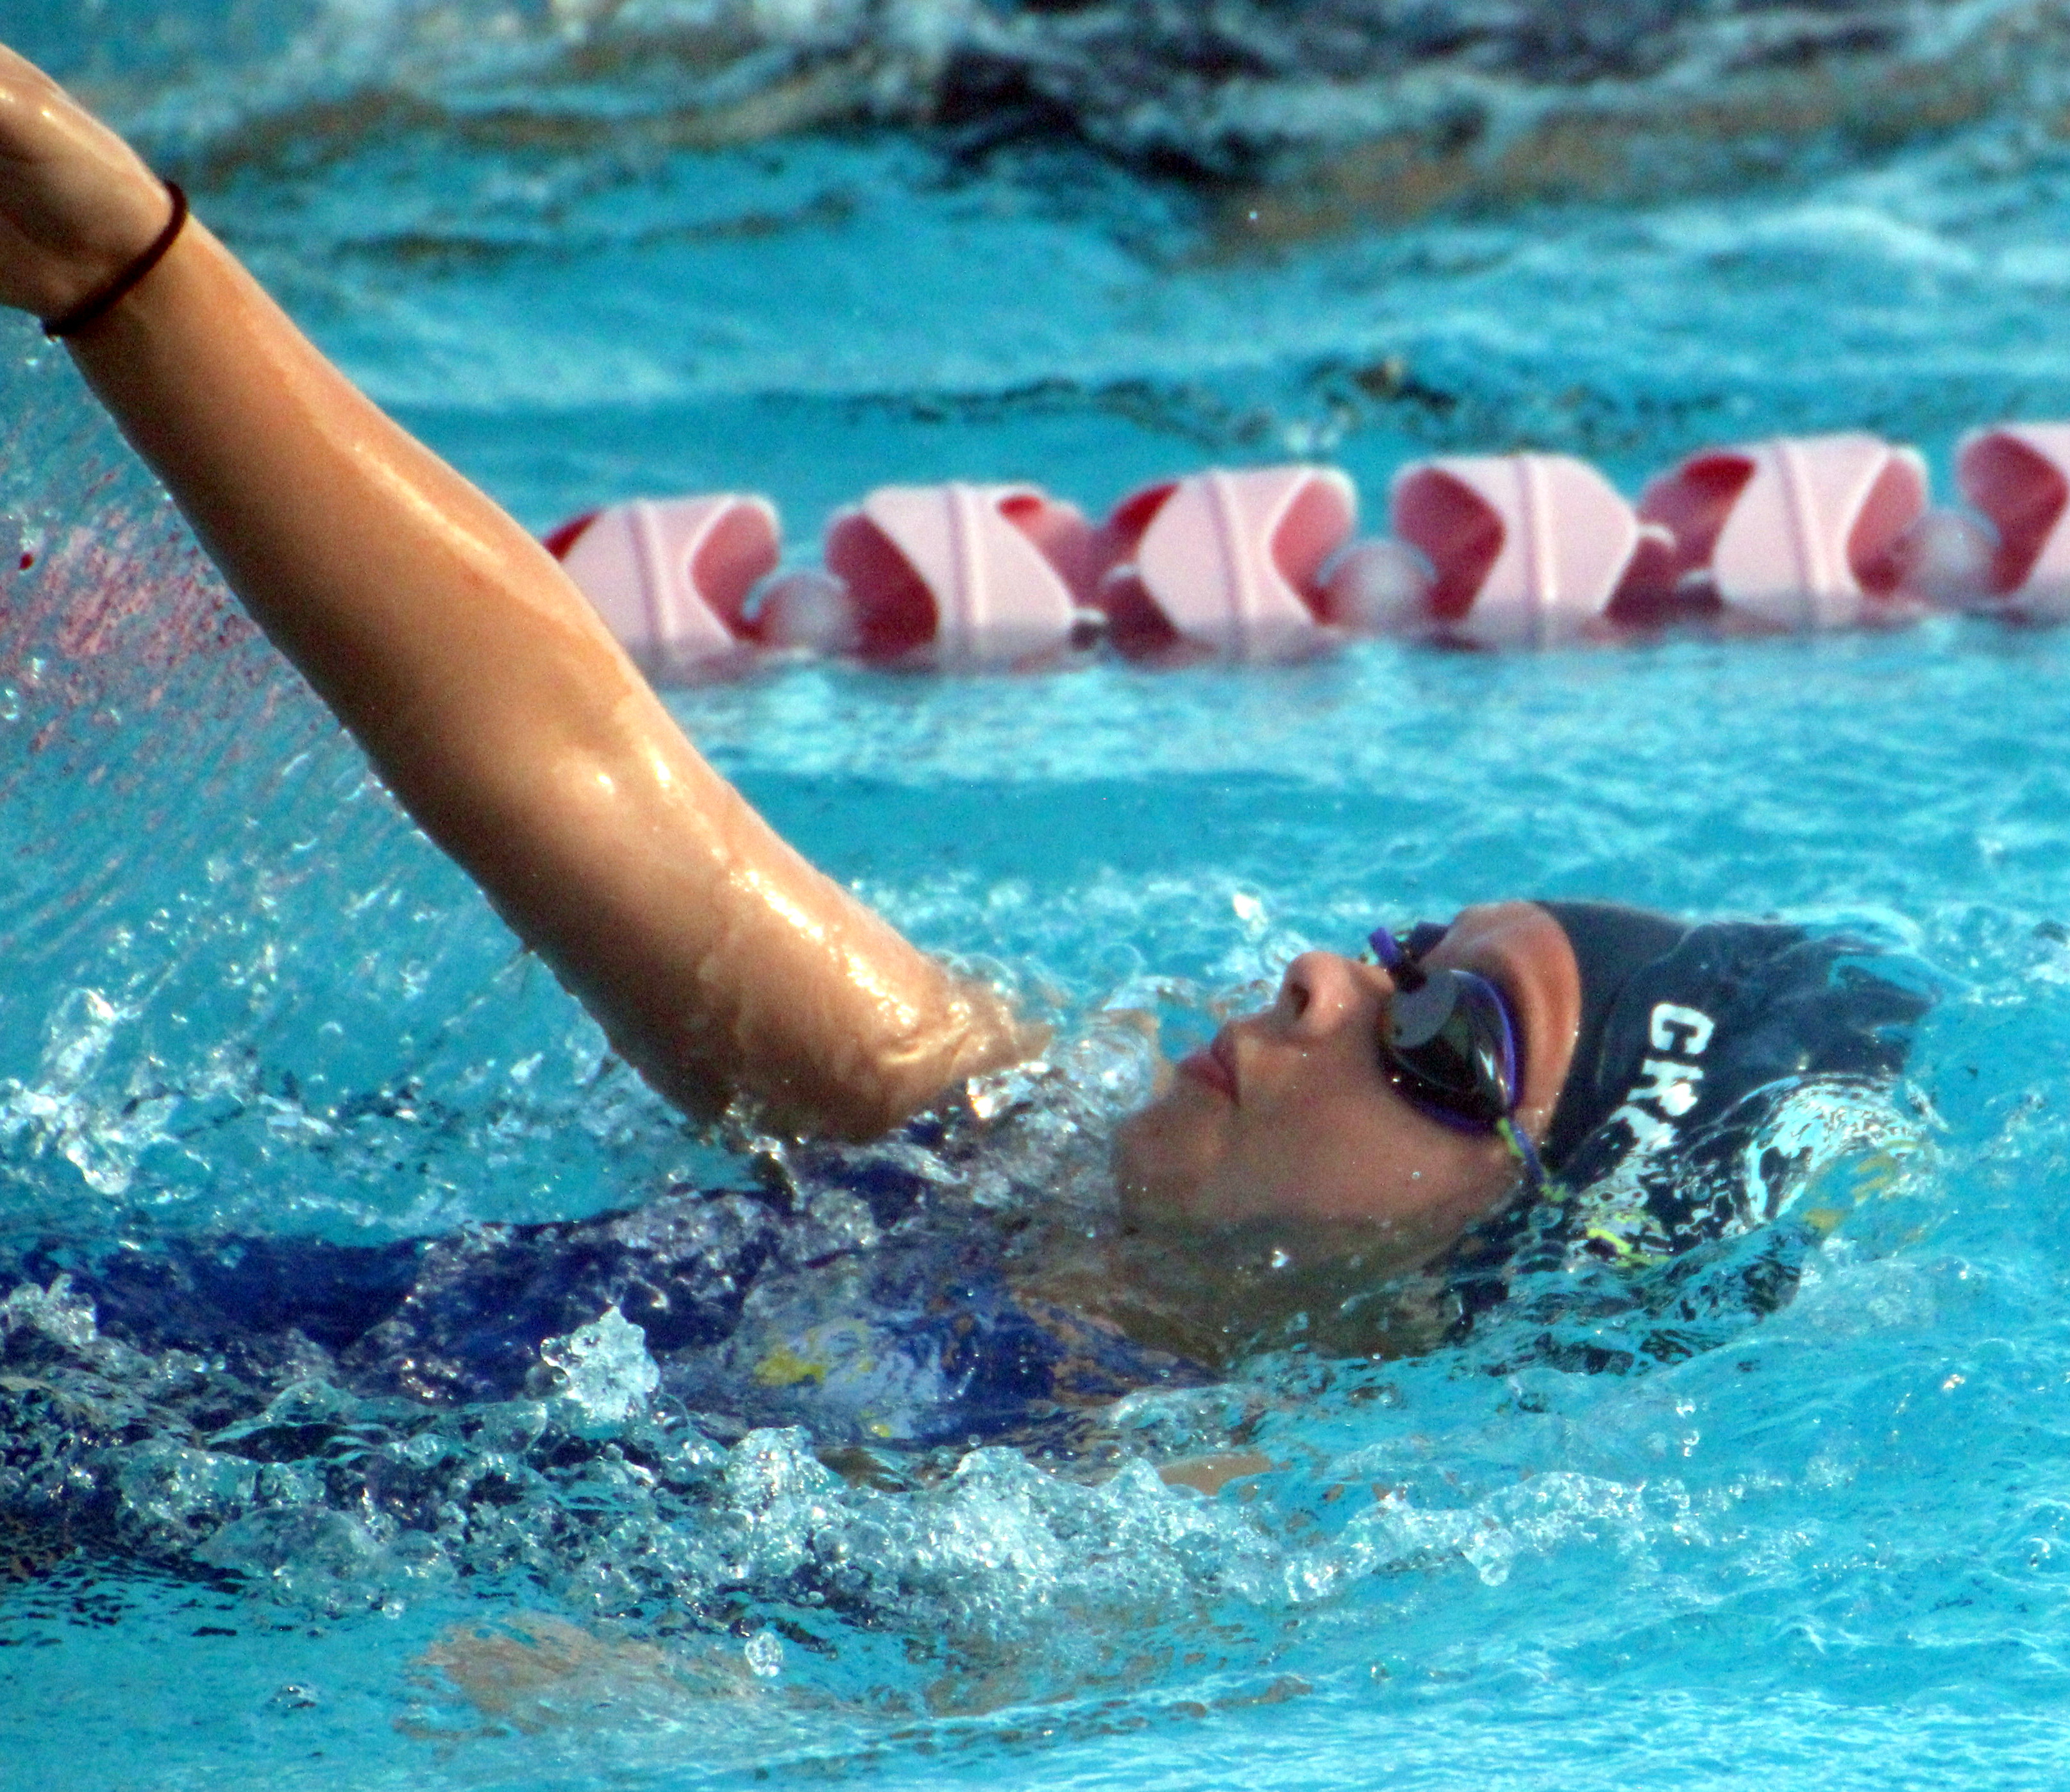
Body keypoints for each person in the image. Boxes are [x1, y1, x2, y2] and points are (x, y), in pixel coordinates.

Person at [0, 46, 1937, 1449]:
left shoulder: (1138, 1549)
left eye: (1447, 1047)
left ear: (1503, 1289)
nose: (1328, 979)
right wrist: (125, 265)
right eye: (1412, 948)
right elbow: (568, 763)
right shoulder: (960, 1131)